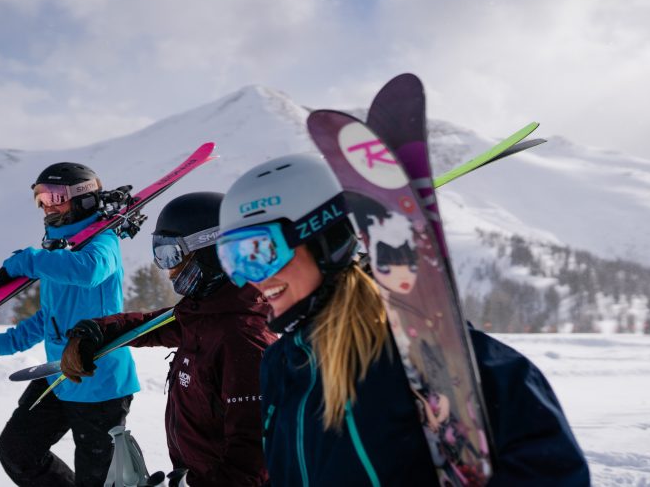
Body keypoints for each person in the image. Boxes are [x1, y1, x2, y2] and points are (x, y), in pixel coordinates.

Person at [214, 153, 591, 486]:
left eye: (260, 251)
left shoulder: (432, 350)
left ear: (326, 240)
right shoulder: (281, 364)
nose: (252, 277)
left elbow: (553, 470)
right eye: (233, 259)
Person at [60, 192, 277, 487]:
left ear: (213, 251)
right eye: (160, 254)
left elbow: (253, 462)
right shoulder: (204, 315)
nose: (168, 269)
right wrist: (95, 332)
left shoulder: (243, 341)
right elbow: (150, 326)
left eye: (172, 254)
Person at [0, 162, 139, 487]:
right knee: (17, 451)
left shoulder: (103, 243)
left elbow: (90, 271)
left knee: (97, 481)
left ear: (84, 199)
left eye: (56, 197)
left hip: (98, 381)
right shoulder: (58, 251)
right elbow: (50, 316)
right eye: (41, 198)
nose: (47, 206)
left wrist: (25, 261)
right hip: (59, 374)